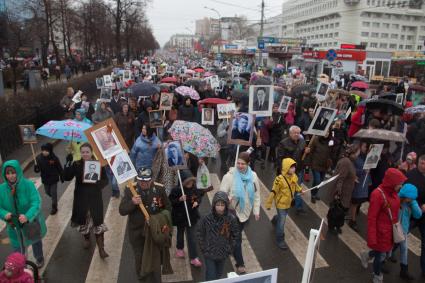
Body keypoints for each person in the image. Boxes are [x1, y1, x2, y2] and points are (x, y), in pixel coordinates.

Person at [119, 168, 171, 282]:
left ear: (151, 180)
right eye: (140, 181)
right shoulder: (130, 190)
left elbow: (167, 209)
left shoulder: (159, 189)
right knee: (140, 260)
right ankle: (142, 279)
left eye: (146, 181)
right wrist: (132, 202)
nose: (143, 184)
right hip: (137, 233)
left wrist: (156, 220)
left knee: (155, 260)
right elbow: (122, 210)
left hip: (154, 232)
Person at [63, 143, 109, 259]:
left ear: (91, 152)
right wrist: (68, 162)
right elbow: (66, 177)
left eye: (87, 152)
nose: (85, 154)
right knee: (84, 221)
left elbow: (105, 180)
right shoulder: (77, 164)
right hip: (81, 199)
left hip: (95, 199)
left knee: (98, 222)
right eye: (82, 152)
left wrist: (97, 183)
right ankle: (87, 238)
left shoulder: (98, 164)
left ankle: (101, 248)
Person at [361, 168, 406, 283]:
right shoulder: (377, 194)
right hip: (380, 232)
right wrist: (372, 237)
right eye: (399, 184)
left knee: (384, 253)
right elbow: (372, 217)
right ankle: (377, 275)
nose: (401, 186)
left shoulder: (394, 193)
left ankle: (366, 255)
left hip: (390, 231)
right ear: (392, 182)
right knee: (381, 255)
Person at [0, 160, 47, 268]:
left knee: (35, 242)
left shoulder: (28, 185)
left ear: (18, 171)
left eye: (13, 172)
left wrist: (27, 216)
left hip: (29, 223)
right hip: (13, 225)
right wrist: (4, 214)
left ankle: (39, 258)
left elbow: (36, 202)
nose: (11, 176)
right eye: (8, 173)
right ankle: (21, 265)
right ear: (4, 174)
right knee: (17, 247)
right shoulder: (1, 189)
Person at [220, 152, 260, 274]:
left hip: (245, 212)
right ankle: (240, 263)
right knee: (237, 238)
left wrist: (256, 210)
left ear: (248, 164)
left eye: (243, 163)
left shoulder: (253, 176)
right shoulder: (229, 177)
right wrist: (227, 198)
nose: (240, 166)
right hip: (232, 212)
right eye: (238, 163)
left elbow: (257, 194)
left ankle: (230, 246)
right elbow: (220, 194)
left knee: (233, 236)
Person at [197, 191, 240, 281]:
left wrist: (229, 248)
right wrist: (204, 248)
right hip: (209, 254)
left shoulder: (231, 219)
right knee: (211, 276)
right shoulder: (206, 218)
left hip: (223, 253)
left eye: (222, 205)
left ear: (226, 205)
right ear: (214, 205)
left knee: (218, 275)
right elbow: (200, 233)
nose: (220, 208)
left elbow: (235, 235)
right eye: (218, 205)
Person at [265, 158, 304, 250]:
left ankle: (275, 219)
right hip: (280, 204)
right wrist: (269, 203)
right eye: (291, 167)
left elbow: (295, 185)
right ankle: (280, 240)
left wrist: (300, 190)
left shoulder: (294, 176)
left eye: (294, 167)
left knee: (281, 217)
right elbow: (273, 191)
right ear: (286, 168)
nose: (293, 169)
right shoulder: (279, 179)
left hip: (288, 202)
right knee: (282, 222)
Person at [169, 170, 202, 267]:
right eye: (188, 182)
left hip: (191, 216)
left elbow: (198, 197)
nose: (190, 184)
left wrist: (197, 202)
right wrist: (179, 199)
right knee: (180, 234)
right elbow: (171, 201)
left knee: (192, 238)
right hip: (180, 217)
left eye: (191, 182)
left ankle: (194, 257)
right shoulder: (176, 190)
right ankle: (180, 248)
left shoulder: (194, 188)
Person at [392, 183, 422, 280]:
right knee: (387, 249)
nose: (411, 200)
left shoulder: (412, 202)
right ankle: (372, 256)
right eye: (410, 198)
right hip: (393, 228)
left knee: (404, 250)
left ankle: (404, 271)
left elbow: (418, 214)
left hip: (403, 230)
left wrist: (413, 203)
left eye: (412, 198)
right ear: (405, 195)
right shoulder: (396, 199)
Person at [327, 144, 359, 234]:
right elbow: (340, 178)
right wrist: (338, 193)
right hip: (342, 192)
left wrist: (354, 178)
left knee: (341, 210)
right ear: (352, 153)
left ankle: (337, 225)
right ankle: (332, 226)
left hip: (346, 192)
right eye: (357, 153)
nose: (357, 155)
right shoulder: (346, 162)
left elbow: (348, 174)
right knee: (336, 210)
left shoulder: (349, 162)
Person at [277, 125, 307, 214]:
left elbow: (303, 156)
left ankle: (299, 207)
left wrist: (306, 152)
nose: (297, 134)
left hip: (299, 170)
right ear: (290, 133)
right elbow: (280, 158)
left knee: (298, 187)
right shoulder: (283, 143)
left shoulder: (302, 142)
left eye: (298, 133)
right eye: (295, 133)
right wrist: (284, 171)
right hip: (288, 172)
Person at [405, 154, 425, 278]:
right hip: (412, 213)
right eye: (422, 163)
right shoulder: (410, 175)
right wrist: (417, 205)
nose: (424, 166)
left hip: (424, 216)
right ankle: (382, 256)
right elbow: (406, 195)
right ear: (417, 163)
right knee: (400, 237)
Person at [34, 143, 63, 215]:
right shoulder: (39, 158)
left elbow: (59, 168)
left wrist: (62, 176)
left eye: (46, 150)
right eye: (43, 150)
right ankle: (54, 198)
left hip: (53, 178)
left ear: (50, 150)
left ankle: (54, 207)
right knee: (47, 192)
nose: (44, 152)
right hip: (45, 179)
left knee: (53, 193)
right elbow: (37, 170)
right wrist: (36, 168)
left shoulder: (54, 158)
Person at [349, 142, 371, 231]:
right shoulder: (354, 158)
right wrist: (363, 171)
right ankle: (352, 220)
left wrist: (369, 179)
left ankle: (353, 216)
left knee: (358, 202)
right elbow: (352, 170)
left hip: (363, 183)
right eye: (365, 146)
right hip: (357, 183)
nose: (365, 148)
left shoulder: (366, 157)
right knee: (354, 202)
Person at [306, 133, 332, 203]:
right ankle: (313, 194)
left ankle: (316, 192)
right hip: (315, 164)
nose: (326, 133)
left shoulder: (330, 141)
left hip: (324, 165)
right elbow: (310, 151)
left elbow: (332, 152)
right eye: (325, 131)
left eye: (328, 131)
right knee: (317, 180)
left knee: (320, 181)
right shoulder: (316, 139)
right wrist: (309, 163)